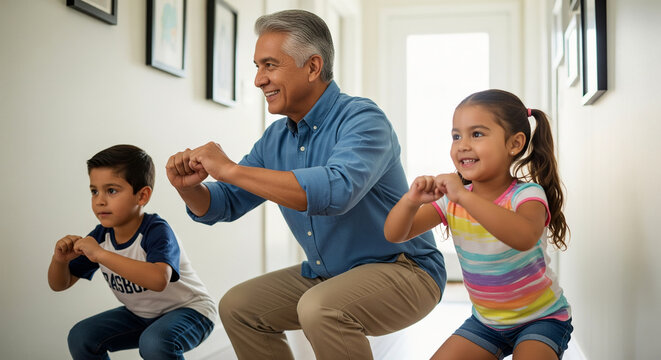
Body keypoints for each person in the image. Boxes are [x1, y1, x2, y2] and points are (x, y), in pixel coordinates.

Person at [165, 9, 446, 360]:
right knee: (239, 307)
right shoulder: (275, 139)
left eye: (270, 65)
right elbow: (225, 204)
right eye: (256, 66)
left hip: (406, 270)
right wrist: (189, 187)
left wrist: (230, 170)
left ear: (313, 67)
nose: (258, 80)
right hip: (328, 275)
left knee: (320, 307)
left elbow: (336, 190)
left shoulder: (363, 119)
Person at [384, 89, 573, 360]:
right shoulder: (450, 202)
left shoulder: (527, 195)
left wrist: (463, 195)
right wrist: (411, 200)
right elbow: (395, 234)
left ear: (515, 144)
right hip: (487, 323)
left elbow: (524, 237)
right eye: (456, 136)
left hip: (542, 319)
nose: (462, 145)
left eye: (477, 134)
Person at [47, 144, 217, 360]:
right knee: (81, 336)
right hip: (142, 317)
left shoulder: (156, 230)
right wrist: (59, 261)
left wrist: (100, 254)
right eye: (94, 191)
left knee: (154, 343)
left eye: (111, 190)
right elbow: (59, 284)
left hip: (192, 311)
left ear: (142, 196)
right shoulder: (101, 236)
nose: (100, 200)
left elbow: (158, 279)